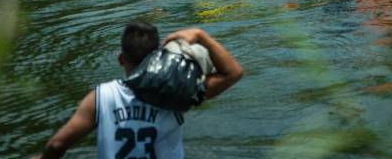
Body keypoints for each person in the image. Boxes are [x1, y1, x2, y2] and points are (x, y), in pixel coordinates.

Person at [37, 22, 242, 159]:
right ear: (158, 57)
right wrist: (200, 35)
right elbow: (233, 72)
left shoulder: (101, 97)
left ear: (120, 59)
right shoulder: (177, 93)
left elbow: (57, 145)